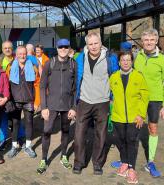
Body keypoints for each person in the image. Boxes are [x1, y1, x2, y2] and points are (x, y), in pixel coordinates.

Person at [73, 32, 119, 175]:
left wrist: (113, 98)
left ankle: (97, 163)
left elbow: (115, 78)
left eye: (96, 43)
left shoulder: (110, 59)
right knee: (79, 134)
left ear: (100, 43)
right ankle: (79, 162)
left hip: (103, 102)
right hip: (84, 101)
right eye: (90, 44)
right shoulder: (81, 58)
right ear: (87, 45)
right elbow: (76, 78)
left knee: (101, 134)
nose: (93, 46)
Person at [134, 28, 164, 177]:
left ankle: (150, 161)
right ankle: (127, 159)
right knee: (132, 126)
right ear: (142, 42)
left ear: (156, 41)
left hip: (155, 99)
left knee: (153, 129)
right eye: (146, 40)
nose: (148, 43)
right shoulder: (138, 57)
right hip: (138, 98)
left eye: (151, 40)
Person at [36, 39, 76, 174]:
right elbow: (42, 86)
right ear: (57, 48)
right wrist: (44, 107)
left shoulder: (73, 64)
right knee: (46, 131)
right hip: (51, 105)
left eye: (66, 47)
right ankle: (43, 159)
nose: (63, 49)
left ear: (69, 48)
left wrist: (74, 108)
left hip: (67, 105)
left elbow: (76, 88)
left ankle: (64, 156)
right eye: (61, 47)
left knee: (66, 131)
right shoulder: (50, 63)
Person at [110, 51, 149, 184]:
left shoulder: (138, 76)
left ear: (132, 61)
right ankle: (125, 162)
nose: (126, 62)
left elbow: (145, 96)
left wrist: (141, 114)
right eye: (123, 60)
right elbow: (108, 94)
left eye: (128, 60)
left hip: (134, 117)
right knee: (120, 141)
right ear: (119, 62)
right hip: (118, 117)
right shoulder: (113, 77)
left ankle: (131, 168)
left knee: (131, 141)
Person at [6, 46, 40, 158]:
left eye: (24, 53)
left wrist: (37, 101)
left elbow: (37, 84)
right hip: (15, 100)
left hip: (29, 100)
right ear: (16, 55)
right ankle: (14, 146)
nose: (22, 56)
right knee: (15, 123)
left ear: (27, 54)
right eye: (20, 54)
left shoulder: (33, 66)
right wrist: (8, 99)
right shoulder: (10, 66)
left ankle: (28, 146)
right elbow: (6, 84)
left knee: (29, 122)